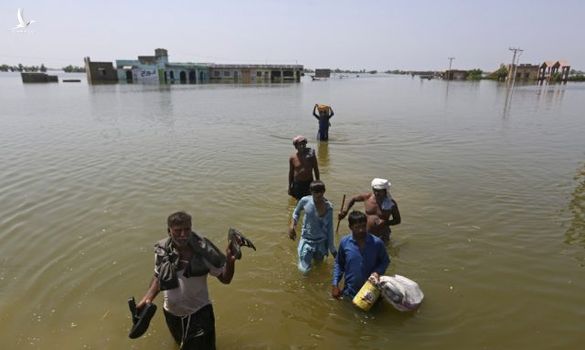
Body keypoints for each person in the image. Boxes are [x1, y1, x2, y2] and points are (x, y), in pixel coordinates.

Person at [135, 211, 236, 350]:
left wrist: (230, 261)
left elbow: (225, 279)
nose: (183, 234)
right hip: (172, 313)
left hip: (199, 314)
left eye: (187, 229)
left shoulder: (205, 252)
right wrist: (146, 300)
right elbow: (158, 277)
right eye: (178, 231)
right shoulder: (162, 250)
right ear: (169, 231)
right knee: (181, 345)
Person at [332, 210, 390, 299]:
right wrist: (335, 284)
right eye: (357, 227)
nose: (361, 230)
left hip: (371, 291)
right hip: (350, 291)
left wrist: (377, 272)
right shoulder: (345, 242)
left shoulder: (377, 243)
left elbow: (385, 261)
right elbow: (339, 264)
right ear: (350, 227)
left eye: (363, 226)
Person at [288, 180, 337, 274]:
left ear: (324, 191)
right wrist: (292, 226)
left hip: (321, 242)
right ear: (311, 191)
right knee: (304, 270)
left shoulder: (329, 207)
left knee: (319, 266)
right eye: (316, 192)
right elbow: (296, 213)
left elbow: (330, 229)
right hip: (307, 240)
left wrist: (332, 249)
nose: (319, 194)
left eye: (321, 192)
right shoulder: (305, 201)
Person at [338, 178, 401, 243]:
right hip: (365, 233)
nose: (376, 193)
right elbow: (353, 199)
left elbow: (398, 220)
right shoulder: (368, 197)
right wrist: (344, 211)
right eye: (375, 190)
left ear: (385, 191)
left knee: (383, 251)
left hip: (382, 235)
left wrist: (385, 223)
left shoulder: (391, 204)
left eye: (379, 191)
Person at [289, 135, 320, 200]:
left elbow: (316, 169)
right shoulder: (292, 158)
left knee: (310, 202)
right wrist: (290, 186)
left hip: (309, 183)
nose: (302, 146)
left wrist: (318, 183)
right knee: (298, 202)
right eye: (300, 144)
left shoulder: (311, 156)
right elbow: (291, 173)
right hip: (297, 184)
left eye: (304, 144)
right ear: (296, 146)